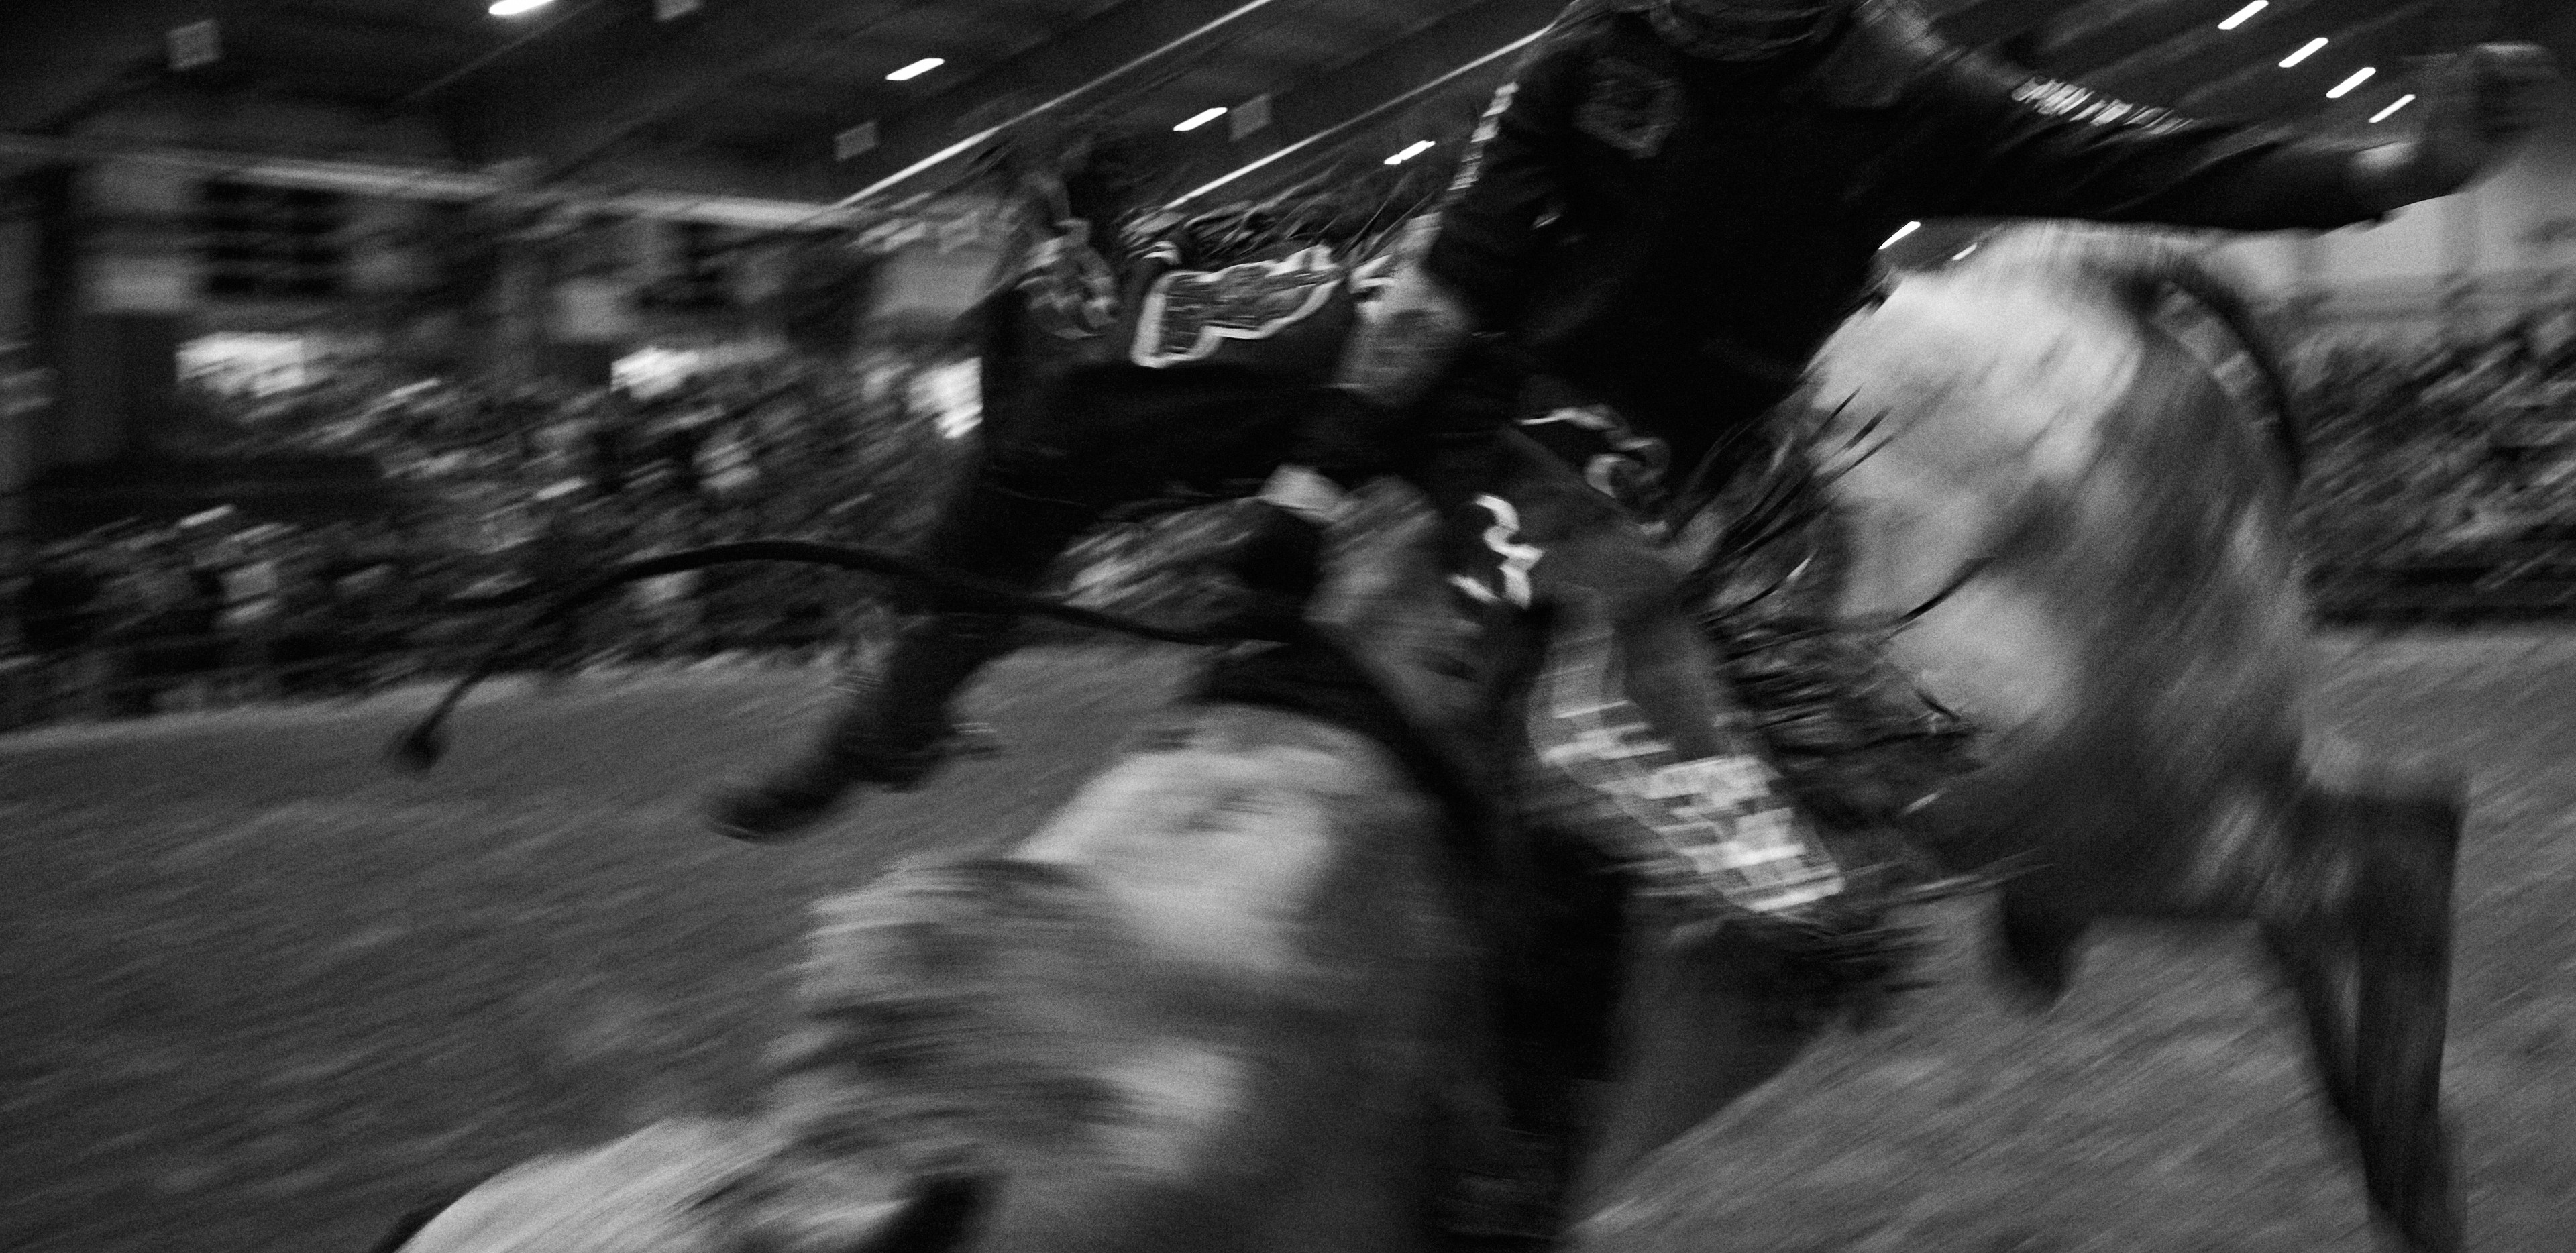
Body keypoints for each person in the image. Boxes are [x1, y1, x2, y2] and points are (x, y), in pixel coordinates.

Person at [712, 0, 2556, 942]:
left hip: (1641, 456)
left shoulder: (1909, 93)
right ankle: (899, 713)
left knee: (1636, 811)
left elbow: (2165, 161)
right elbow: (1455, 275)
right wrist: (1307, 492)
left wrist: (2397, 175)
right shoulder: (1595, 55)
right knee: (1074, 382)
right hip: (1458, 362)